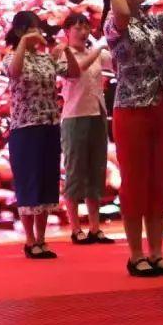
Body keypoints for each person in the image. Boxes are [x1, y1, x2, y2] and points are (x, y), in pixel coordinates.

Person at [96, 0, 163, 278]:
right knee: (135, 182)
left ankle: (157, 253)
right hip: (132, 109)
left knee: (159, 181)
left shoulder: (151, 22)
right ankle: (136, 254)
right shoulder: (113, 23)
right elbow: (122, 12)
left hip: (161, 106)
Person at [3, 11, 81, 259]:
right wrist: (24, 44)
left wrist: (67, 50)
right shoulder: (11, 57)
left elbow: (74, 73)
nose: (37, 33)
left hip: (49, 124)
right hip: (25, 127)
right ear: (19, 32)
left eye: (38, 28)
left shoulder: (46, 59)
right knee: (29, 181)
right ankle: (29, 240)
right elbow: (14, 72)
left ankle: (41, 238)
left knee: (47, 181)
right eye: (31, 28)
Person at [60, 13, 116, 245]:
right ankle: (75, 228)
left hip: (97, 115)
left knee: (96, 171)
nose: (83, 32)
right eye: (78, 28)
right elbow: (77, 70)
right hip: (75, 117)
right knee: (75, 171)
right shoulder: (64, 54)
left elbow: (116, 62)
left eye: (86, 28)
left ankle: (95, 227)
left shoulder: (97, 53)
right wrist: (99, 47)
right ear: (67, 32)